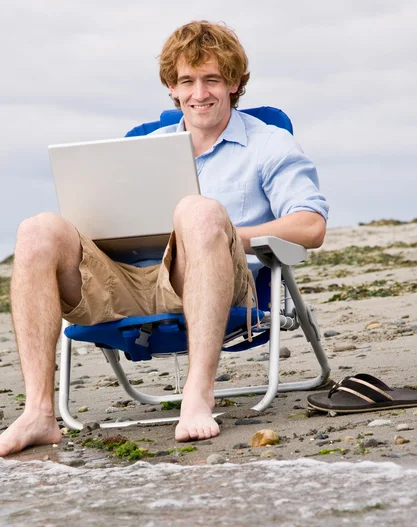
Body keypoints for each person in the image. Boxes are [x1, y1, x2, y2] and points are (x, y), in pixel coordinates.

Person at [0, 20, 328, 457]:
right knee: (37, 229)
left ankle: (198, 395)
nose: (199, 93)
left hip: (219, 281)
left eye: (212, 79)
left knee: (199, 210)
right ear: (172, 89)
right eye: (186, 81)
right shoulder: (145, 148)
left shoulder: (270, 145)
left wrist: (222, 233)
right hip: (130, 283)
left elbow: (311, 226)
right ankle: (39, 412)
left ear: (233, 83)